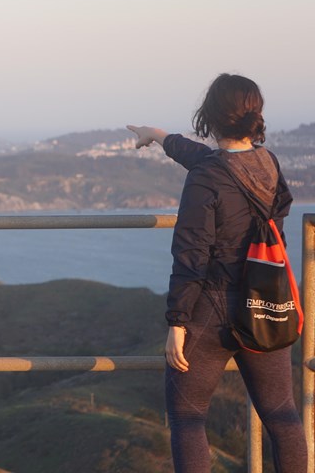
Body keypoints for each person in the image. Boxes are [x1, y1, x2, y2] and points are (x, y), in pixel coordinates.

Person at [127, 73, 307, 473]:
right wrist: (157, 135)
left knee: (188, 420)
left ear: (209, 115)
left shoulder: (207, 176)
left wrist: (177, 321)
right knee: (282, 416)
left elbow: (190, 254)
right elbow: (215, 164)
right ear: (253, 114)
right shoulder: (268, 164)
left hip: (211, 310)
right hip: (266, 303)